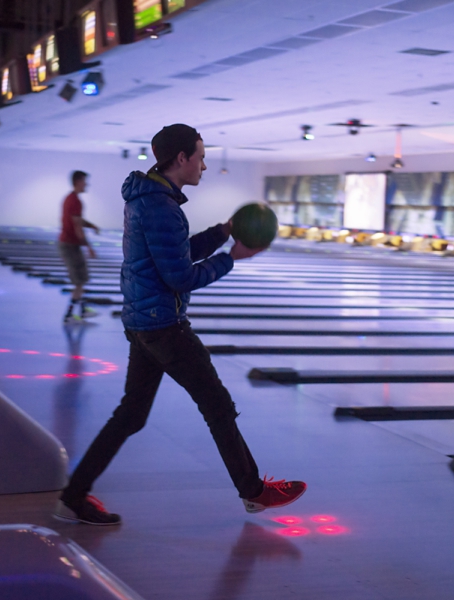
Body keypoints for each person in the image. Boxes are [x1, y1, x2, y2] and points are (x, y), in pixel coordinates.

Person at [54, 124, 306, 526]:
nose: (205, 166)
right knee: (218, 406)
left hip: (142, 321)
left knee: (131, 415)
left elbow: (175, 253)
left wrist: (220, 234)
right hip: (165, 327)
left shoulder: (149, 198)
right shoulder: (162, 207)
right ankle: (253, 491)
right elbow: (181, 277)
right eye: (201, 157)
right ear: (182, 158)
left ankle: (73, 495)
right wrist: (231, 259)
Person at [58, 170, 100, 322]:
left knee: (81, 280)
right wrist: (89, 247)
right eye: (84, 181)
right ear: (77, 182)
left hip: (70, 244)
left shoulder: (71, 199)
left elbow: (79, 221)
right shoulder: (75, 201)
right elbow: (77, 227)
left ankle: (82, 311)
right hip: (70, 245)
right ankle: (70, 315)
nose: (86, 184)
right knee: (79, 281)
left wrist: (92, 225)